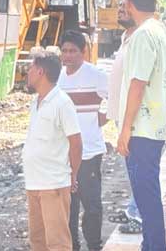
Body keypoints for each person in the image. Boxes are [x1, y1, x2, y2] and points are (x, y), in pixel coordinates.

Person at [115, 0, 166, 251]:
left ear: (128, 3)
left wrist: (125, 129)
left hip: (143, 129)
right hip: (156, 125)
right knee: (149, 194)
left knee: (146, 196)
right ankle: (150, 244)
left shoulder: (142, 35)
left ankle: (154, 246)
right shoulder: (160, 29)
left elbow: (137, 84)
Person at [24, 52, 83, 251]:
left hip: (54, 184)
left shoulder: (62, 102)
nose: (28, 72)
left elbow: (76, 143)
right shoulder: (37, 101)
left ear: (40, 72)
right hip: (34, 183)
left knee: (57, 243)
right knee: (38, 241)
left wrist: (72, 174)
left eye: (31, 68)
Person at [58, 31, 108, 251]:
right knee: (68, 205)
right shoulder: (56, 78)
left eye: (73, 51)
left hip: (89, 152)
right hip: (62, 154)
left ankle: (94, 245)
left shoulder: (96, 75)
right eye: (64, 51)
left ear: (83, 52)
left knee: (92, 205)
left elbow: (113, 101)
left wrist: (100, 118)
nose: (68, 56)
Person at [107, 0, 143, 235]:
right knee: (131, 168)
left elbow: (139, 83)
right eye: (119, 7)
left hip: (135, 119)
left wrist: (128, 124)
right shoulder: (126, 37)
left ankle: (139, 216)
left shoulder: (141, 38)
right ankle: (133, 208)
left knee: (139, 169)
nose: (120, 11)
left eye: (125, 7)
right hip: (123, 115)